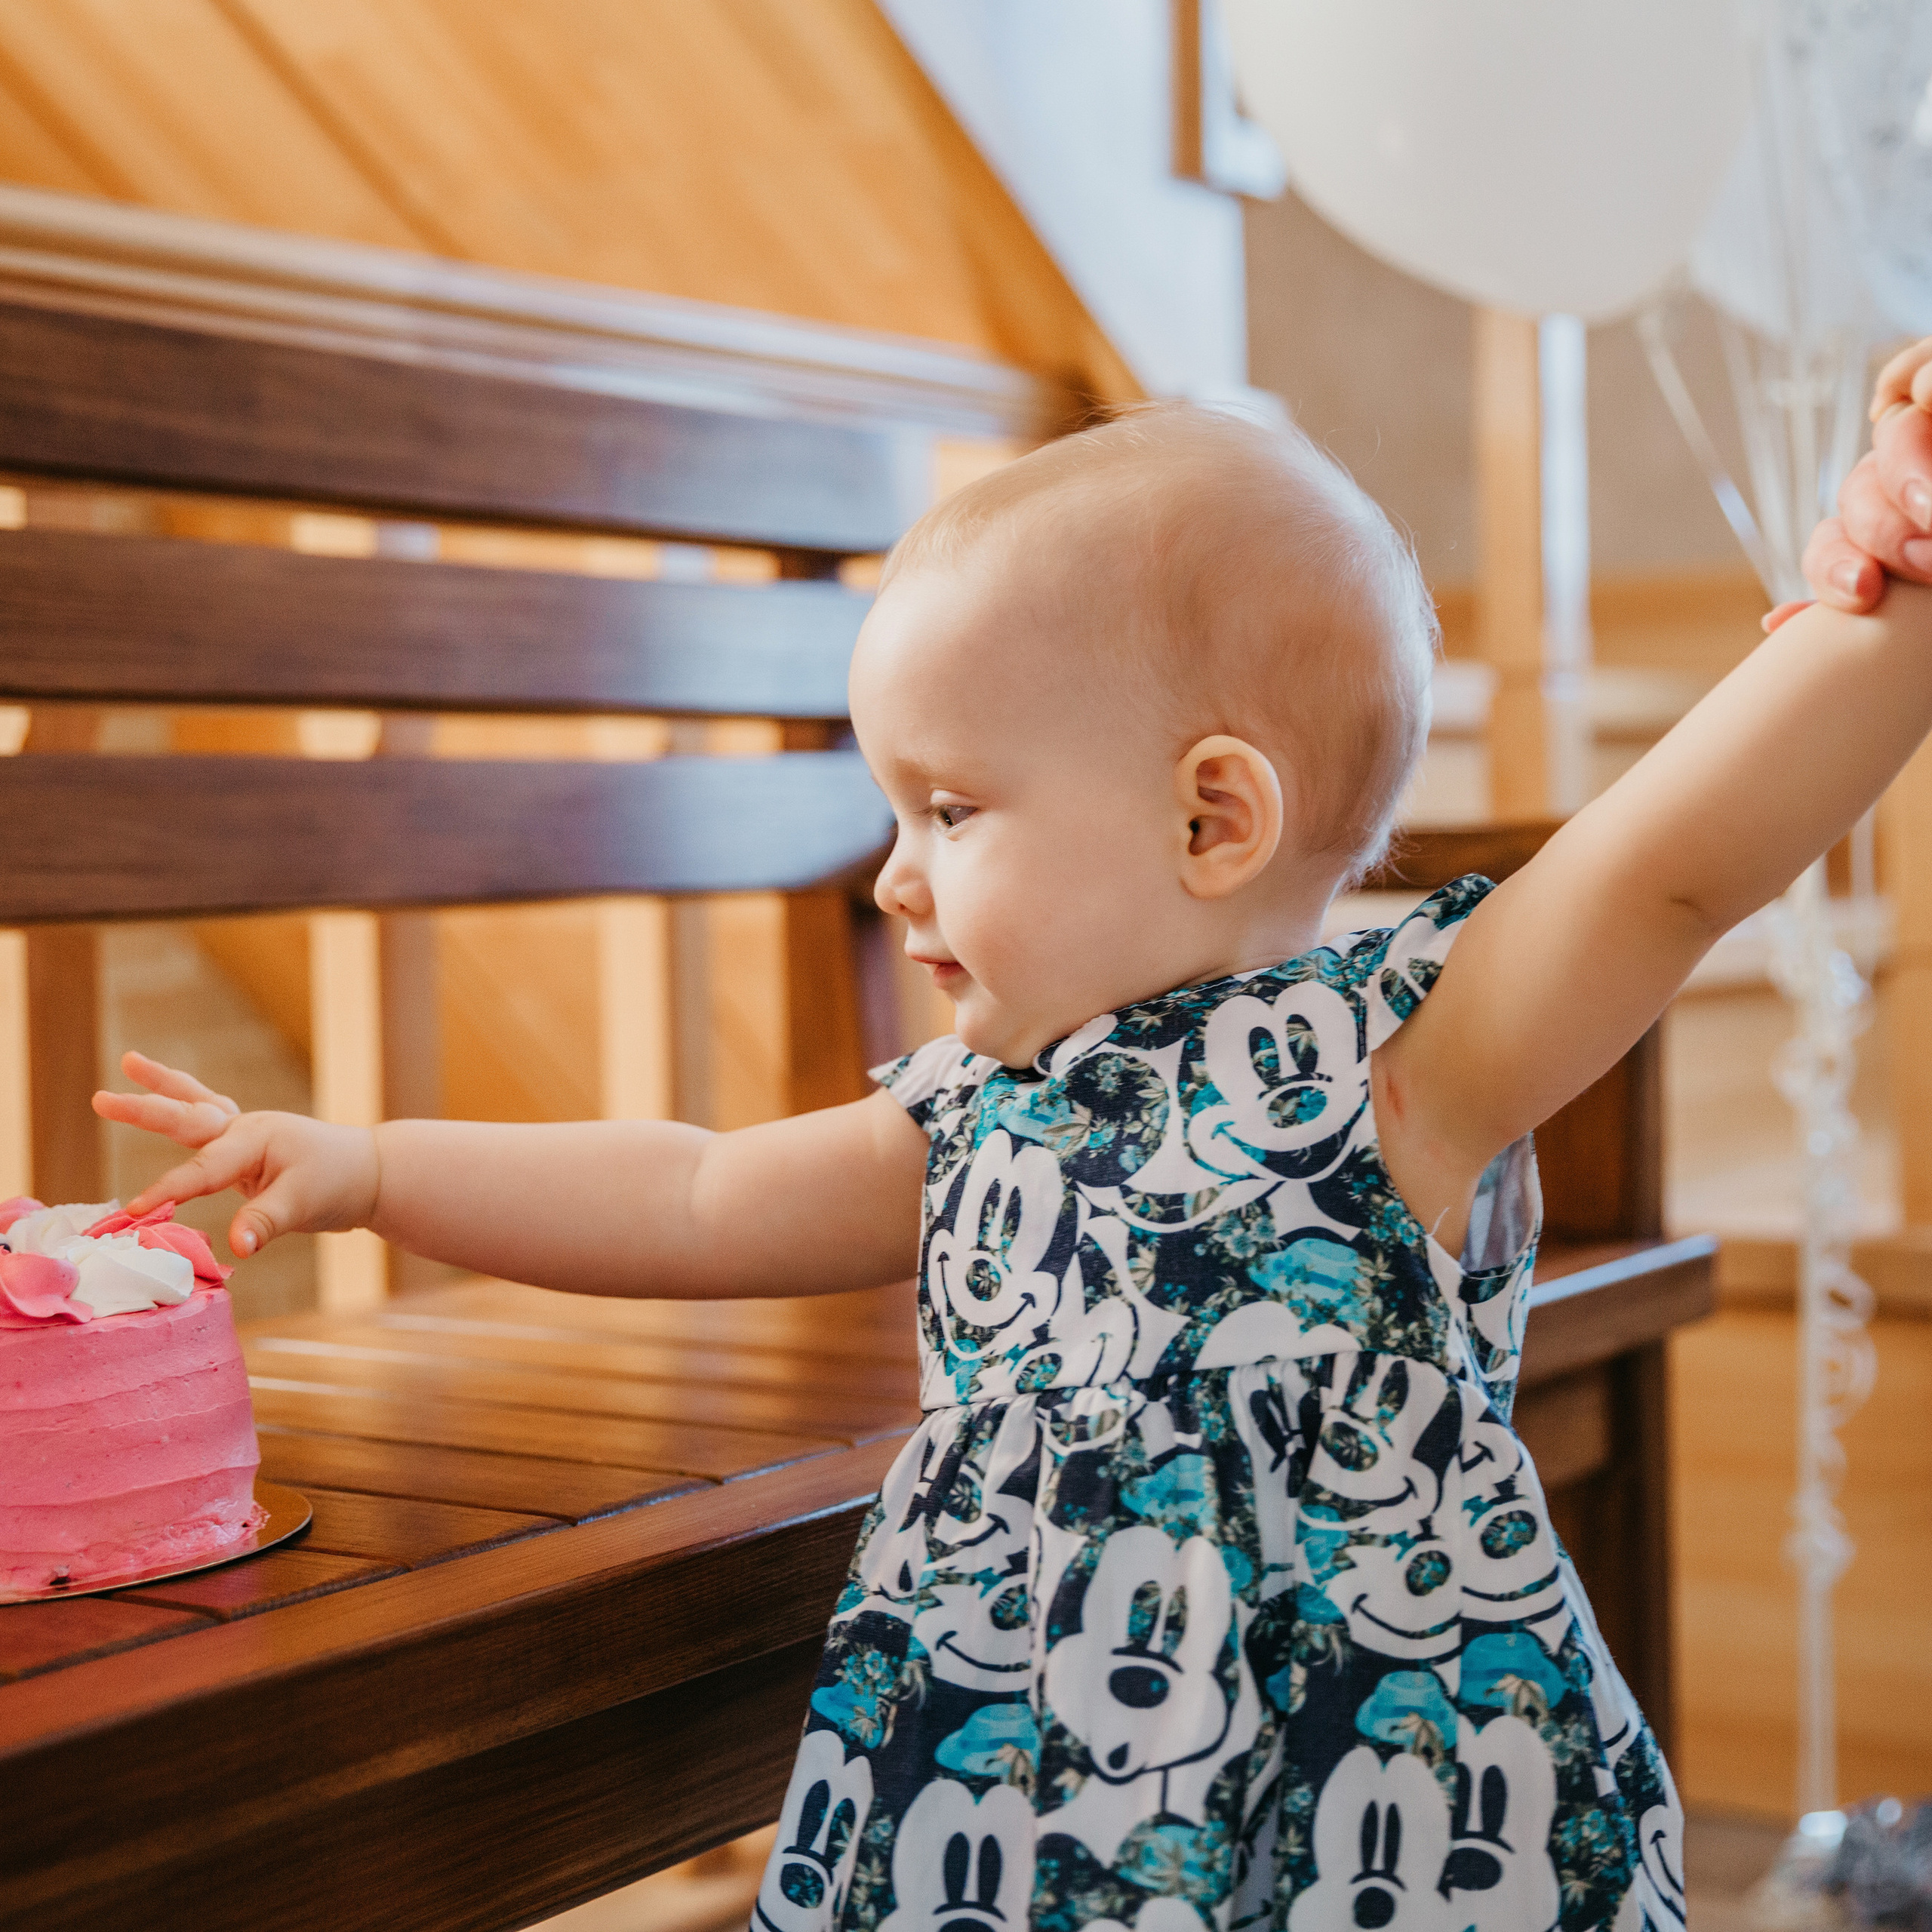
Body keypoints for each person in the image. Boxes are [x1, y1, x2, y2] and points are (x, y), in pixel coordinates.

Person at [99, 339, 1932, 1931]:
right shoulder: (970, 1115)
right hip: (1017, 1790)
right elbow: (690, 1186)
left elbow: (1673, 862)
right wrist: (370, 1163)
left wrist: (1892, 577)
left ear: (1213, 816)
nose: (895, 874)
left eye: (949, 803)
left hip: (1365, 1790)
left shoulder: (1399, 1067)